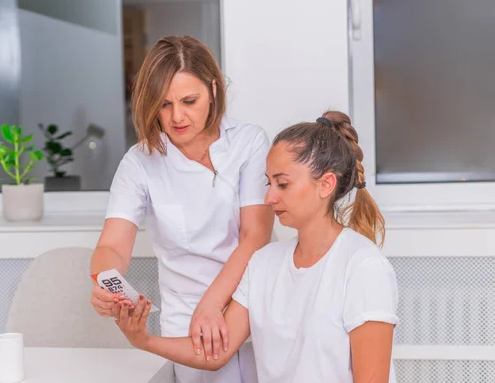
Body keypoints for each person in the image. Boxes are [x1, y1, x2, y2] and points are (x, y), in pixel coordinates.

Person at [113, 111, 399, 383]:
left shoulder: (363, 267)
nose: (269, 198)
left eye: (282, 184)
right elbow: (217, 353)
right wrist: (144, 340)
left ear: (326, 185)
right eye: (268, 182)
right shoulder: (263, 263)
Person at [90, 35, 274, 382]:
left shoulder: (249, 143)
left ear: (214, 90)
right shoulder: (140, 162)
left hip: (250, 303)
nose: (177, 117)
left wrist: (213, 303)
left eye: (190, 100)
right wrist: (104, 281)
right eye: (164, 104)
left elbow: (255, 235)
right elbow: (112, 245)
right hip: (186, 317)